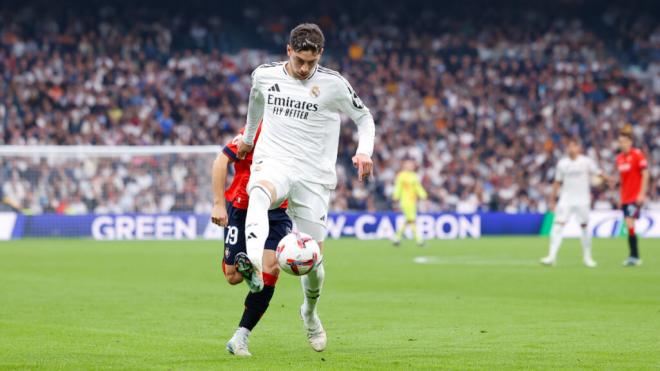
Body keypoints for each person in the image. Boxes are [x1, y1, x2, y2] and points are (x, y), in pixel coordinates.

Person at [236, 23, 375, 352]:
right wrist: (247, 138)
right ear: (288, 50)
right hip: (275, 162)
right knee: (259, 192)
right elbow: (256, 103)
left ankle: (310, 313)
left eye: (310, 63)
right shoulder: (265, 76)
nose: (303, 68)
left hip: (313, 177)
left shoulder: (334, 84)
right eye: (299, 60)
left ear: (320, 55)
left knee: (313, 260)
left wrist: (364, 150)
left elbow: (364, 118)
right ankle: (254, 263)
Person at [211, 124, 292, 356]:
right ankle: (245, 268)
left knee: (272, 268)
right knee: (233, 276)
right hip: (241, 206)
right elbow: (220, 161)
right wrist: (218, 203)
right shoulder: (258, 129)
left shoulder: (297, 130)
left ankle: (241, 336)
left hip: (277, 209)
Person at [541, 139, 603, 267]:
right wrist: (553, 200)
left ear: (578, 148)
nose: (571, 149)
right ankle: (551, 257)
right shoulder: (562, 164)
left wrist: (608, 180)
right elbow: (557, 182)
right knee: (557, 226)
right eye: (569, 146)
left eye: (574, 146)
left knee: (584, 227)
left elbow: (598, 173)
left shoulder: (586, 162)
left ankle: (587, 258)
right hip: (566, 200)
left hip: (582, 200)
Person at [615, 125, 649, 267]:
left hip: (635, 197)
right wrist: (619, 196)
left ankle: (634, 256)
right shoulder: (619, 159)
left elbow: (645, 174)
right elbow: (621, 181)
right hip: (625, 197)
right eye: (620, 141)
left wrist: (641, 194)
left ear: (630, 142)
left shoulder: (637, 155)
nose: (621, 144)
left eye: (623, 141)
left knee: (629, 223)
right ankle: (634, 255)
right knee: (629, 224)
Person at [391, 159, 428, 246]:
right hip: (405, 201)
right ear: (404, 166)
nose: (411, 166)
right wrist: (395, 197)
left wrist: (423, 195)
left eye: (412, 165)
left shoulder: (414, 176)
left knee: (409, 220)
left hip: (413, 201)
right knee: (412, 220)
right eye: (409, 165)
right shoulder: (401, 176)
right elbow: (398, 187)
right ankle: (419, 240)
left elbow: (418, 187)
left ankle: (397, 237)